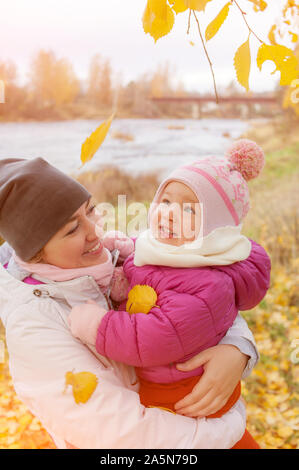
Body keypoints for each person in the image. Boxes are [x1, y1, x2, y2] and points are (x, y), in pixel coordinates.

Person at [0, 156, 258, 449]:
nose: (95, 231)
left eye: (91, 211)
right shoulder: (34, 326)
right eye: (72, 229)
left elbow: (205, 299)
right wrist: (228, 427)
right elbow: (121, 434)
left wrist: (238, 349)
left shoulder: (122, 255)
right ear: (36, 252)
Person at [68, 140, 271, 449]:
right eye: (165, 201)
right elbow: (148, 271)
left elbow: (157, 337)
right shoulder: (167, 248)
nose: (170, 214)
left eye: (190, 209)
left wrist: (98, 325)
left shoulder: (209, 282)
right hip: (159, 393)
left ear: (215, 229)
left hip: (182, 397)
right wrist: (124, 255)